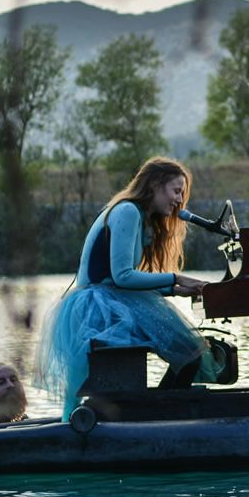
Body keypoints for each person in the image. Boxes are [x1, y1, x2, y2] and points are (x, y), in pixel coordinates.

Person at [34, 156, 210, 420]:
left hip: (111, 298)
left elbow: (123, 280)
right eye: (176, 191)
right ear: (154, 185)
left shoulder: (140, 217)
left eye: (182, 193)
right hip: (99, 305)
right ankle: (157, 417)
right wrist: (175, 278)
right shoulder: (127, 211)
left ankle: (157, 414)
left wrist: (176, 290)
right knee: (188, 352)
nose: (179, 200)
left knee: (189, 353)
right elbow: (123, 277)